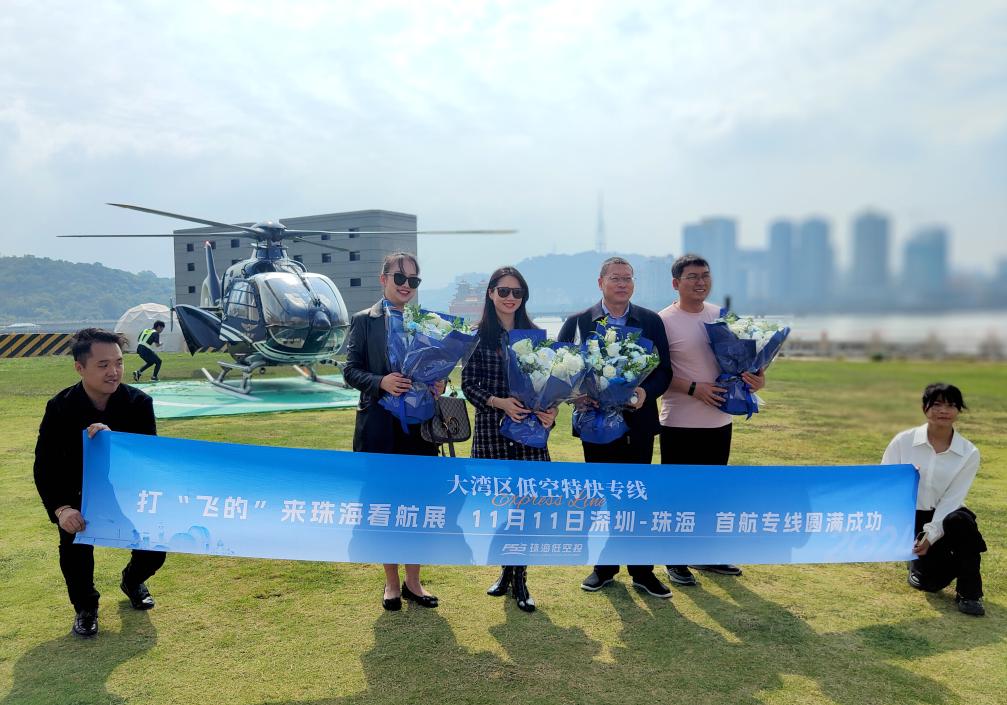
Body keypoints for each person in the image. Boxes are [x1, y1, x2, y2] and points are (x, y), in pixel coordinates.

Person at [33, 328, 167, 638]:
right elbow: (45, 464)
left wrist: (113, 442)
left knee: (154, 548)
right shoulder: (60, 406)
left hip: (127, 491)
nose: (114, 371)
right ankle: (86, 607)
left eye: (119, 363)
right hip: (77, 492)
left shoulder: (138, 403)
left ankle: (132, 580)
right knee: (75, 548)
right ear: (80, 368)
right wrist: (61, 509)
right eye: (103, 365)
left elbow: (147, 459)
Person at [557, 256, 674, 598]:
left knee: (637, 496)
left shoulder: (650, 321)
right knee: (603, 497)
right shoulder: (579, 322)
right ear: (601, 282)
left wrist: (645, 393)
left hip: (638, 424)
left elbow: (665, 371)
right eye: (615, 278)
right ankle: (604, 568)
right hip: (595, 425)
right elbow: (560, 370)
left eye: (628, 278)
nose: (623, 284)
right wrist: (577, 396)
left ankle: (642, 571)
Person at [342, 252, 444, 611]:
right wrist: (381, 382)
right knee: (382, 505)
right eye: (400, 278)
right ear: (383, 278)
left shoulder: (427, 323)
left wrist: (439, 383)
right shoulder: (364, 321)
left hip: (419, 432)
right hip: (379, 430)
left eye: (413, 280)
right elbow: (350, 371)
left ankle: (414, 581)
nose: (406, 285)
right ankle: (390, 583)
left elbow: (435, 369)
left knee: (418, 504)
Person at [658, 254, 765, 586]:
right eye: (692, 277)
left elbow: (745, 363)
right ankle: (675, 559)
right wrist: (694, 388)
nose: (700, 282)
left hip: (719, 421)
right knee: (678, 494)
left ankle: (706, 553)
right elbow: (657, 374)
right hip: (679, 422)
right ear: (676, 283)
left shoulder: (723, 316)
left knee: (712, 493)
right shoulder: (663, 321)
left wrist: (757, 378)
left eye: (705, 275)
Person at [461, 266, 558, 613]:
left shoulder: (535, 337)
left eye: (517, 292)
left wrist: (551, 412)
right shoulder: (477, 336)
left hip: (530, 435)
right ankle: (506, 570)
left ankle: (520, 579)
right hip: (492, 432)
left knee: (527, 509)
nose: (510, 298)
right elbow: (468, 385)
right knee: (501, 508)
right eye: (503, 291)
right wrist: (499, 402)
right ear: (491, 293)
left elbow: (551, 386)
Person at [882, 383, 986, 616]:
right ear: (924, 408)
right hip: (911, 515)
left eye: (951, 405)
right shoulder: (903, 441)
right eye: (937, 404)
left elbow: (952, 499)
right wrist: (905, 480)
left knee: (961, 522)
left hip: (947, 515)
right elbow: (884, 483)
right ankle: (923, 562)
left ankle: (970, 593)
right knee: (926, 583)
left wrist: (930, 536)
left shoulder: (968, 452)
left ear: (959, 410)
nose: (943, 411)